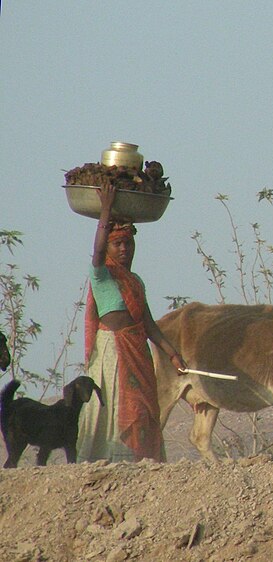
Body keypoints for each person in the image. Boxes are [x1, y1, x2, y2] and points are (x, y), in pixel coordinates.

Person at [76, 184, 186, 462]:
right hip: (113, 352)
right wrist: (106, 210)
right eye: (118, 243)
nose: (124, 249)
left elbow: (148, 324)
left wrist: (172, 354)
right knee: (113, 407)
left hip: (137, 351)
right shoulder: (102, 276)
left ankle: (139, 459)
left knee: (140, 408)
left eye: (128, 243)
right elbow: (97, 252)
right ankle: (111, 458)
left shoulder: (134, 281)